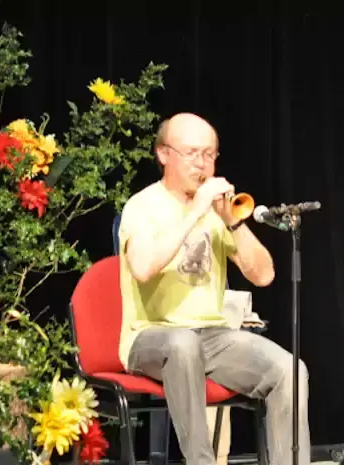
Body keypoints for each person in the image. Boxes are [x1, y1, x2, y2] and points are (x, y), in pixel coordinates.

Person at [117, 113, 310, 465]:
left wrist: (232, 221)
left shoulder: (217, 216)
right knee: (183, 343)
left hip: (212, 335)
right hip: (150, 336)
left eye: (210, 154)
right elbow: (143, 268)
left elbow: (264, 275)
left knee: (289, 370)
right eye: (192, 153)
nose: (202, 164)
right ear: (163, 155)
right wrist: (196, 211)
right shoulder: (142, 207)